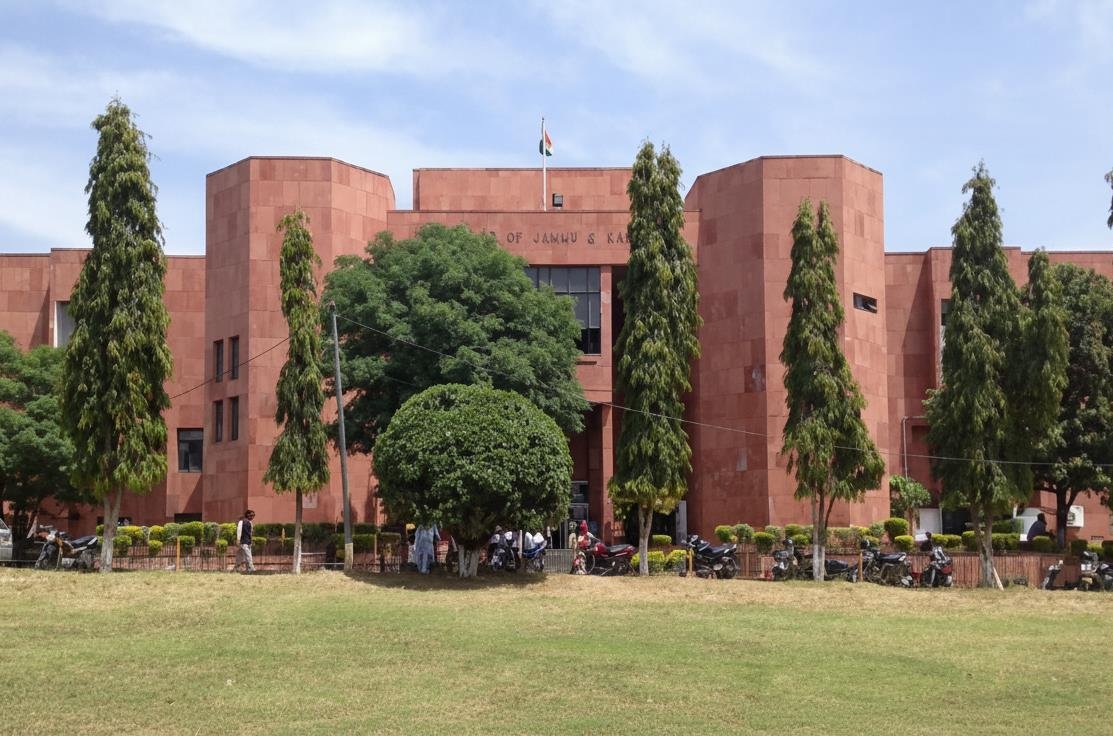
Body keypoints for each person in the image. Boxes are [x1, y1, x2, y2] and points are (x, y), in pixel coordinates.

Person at [234, 509, 256, 573]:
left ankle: (238, 568)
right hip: (243, 542)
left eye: (253, 515)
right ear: (247, 515)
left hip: (248, 542)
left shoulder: (250, 523)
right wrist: (238, 540)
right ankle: (251, 568)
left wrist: (251, 541)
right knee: (248, 555)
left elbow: (250, 533)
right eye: (251, 515)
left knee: (241, 556)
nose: (252, 517)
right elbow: (239, 531)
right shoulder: (241, 522)